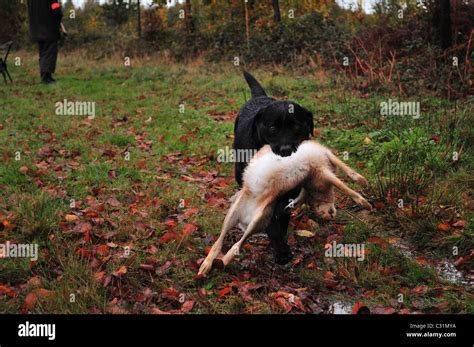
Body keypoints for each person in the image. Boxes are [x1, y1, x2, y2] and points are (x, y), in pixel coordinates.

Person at [27, 0, 63, 84]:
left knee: (43, 53)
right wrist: (59, 20)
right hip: (49, 29)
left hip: (36, 29)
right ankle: (46, 78)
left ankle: (45, 76)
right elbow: (56, 10)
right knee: (49, 53)